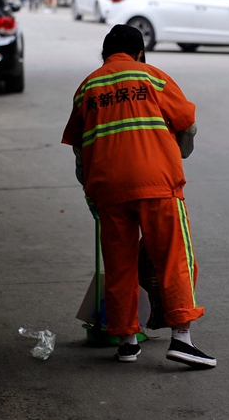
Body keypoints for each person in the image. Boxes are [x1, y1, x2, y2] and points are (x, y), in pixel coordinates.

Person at [61, 24, 215, 369]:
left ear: (104, 56)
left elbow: (79, 151)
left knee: (119, 265)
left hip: (108, 188)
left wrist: (92, 193)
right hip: (157, 183)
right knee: (174, 257)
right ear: (141, 54)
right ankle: (182, 340)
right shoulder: (154, 77)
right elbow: (187, 124)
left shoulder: (88, 86)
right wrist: (180, 151)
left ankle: (127, 342)